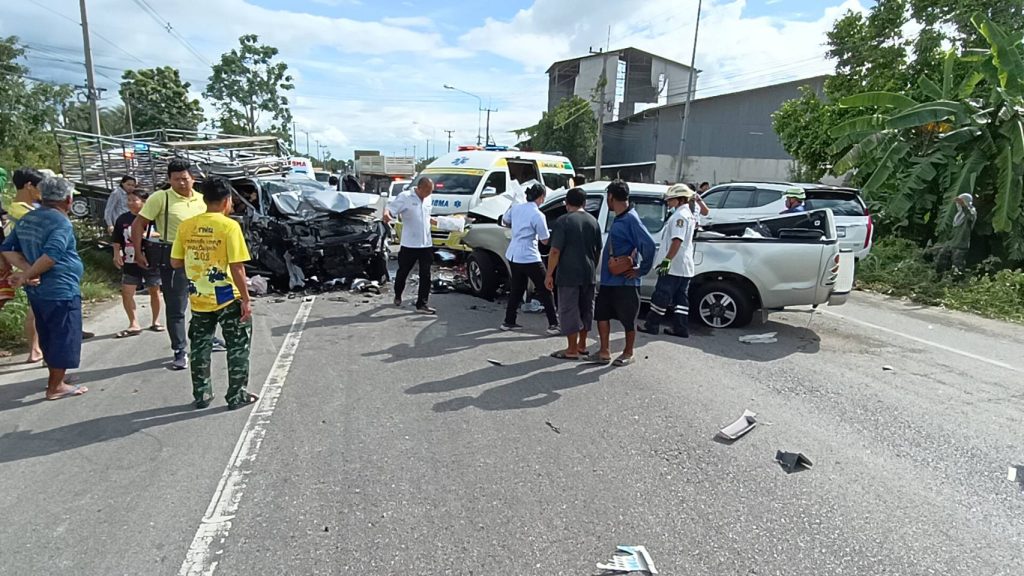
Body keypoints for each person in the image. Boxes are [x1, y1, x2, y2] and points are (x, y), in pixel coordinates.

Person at [171, 177, 258, 410]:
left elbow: (175, 262)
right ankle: (236, 396)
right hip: (226, 296)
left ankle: (202, 394)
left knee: (200, 347)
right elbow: (237, 267)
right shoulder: (229, 226)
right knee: (237, 347)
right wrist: (246, 300)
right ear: (227, 200)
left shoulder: (186, 226)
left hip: (198, 296)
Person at [1, 177, 87, 400]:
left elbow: (7, 248)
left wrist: (27, 271)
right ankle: (55, 386)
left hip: (38, 291)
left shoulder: (28, 218)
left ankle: (57, 377)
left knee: (48, 333)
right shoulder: (61, 222)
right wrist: (28, 275)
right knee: (64, 335)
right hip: (60, 288)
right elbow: (51, 256)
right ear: (67, 200)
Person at [132, 158, 212, 370]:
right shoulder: (161, 198)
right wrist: (138, 252)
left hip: (202, 257)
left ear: (192, 178)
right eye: (176, 179)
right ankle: (179, 350)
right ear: (169, 179)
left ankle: (205, 338)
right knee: (176, 306)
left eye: (185, 178)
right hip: (173, 257)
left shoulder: (202, 200)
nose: (181, 183)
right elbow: (138, 224)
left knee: (206, 302)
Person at [588, 180, 656, 366]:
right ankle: (604, 351)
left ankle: (628, 352)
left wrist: (640, 271)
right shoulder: (620, 218)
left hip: (626, 282)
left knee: (628, 319)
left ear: (610, 197)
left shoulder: (631, 219)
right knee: (602, 314)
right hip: (609, 280)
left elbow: (649, 245)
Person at [545, 187, 602, 359]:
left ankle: (571, 349)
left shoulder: (564, 221)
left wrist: (549, 274)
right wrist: (592, 267)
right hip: (588, 273)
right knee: (586, 309)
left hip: (568, 274)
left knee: (569, 310)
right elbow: (598, 250)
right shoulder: (593, 221)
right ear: (585, 203)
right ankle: (582, 345)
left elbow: (555, 251)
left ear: (566, 203)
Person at [500, 182, 559, 334]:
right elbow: (545, 240)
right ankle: (553, 324)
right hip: (529, 256)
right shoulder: (538, 215)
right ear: (541, 197)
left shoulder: (516, 208)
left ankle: (509, 321)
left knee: (517, 288)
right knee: (545, 288)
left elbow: (505, 220)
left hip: (513, 254)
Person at [641, 184, 697, 338]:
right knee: (680, 299)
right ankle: (680, 328)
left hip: (673, 266)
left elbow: (677, 240)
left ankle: (651, 325)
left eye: (671, 199)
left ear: (680, 199)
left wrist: (667, 260)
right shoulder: (688, 214)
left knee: (661, 295)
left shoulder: (680, 216)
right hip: (683, 267)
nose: (668, 202)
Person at [112, 188, 163, 337]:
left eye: (134, 200)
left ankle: (156, 321)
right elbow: (117, 239)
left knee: (154, 290)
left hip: (150, 260)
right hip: (130, 260)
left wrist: (148, 234)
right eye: (128, 200)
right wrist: (116, 254)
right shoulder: (123, 219)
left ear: (144, 202)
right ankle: (133, 323)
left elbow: (163, 233)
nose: (131, 203)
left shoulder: (153, 218)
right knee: (127, 292)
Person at [7, 168, 45, 362]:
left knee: (36, 306)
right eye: (39, 186)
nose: (41, 191)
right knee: (38, 307)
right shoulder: (21, 211)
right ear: (29, 186)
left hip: (28, 264)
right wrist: (29, 270)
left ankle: (36, 349)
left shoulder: (20, 208)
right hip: (30, 264)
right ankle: (38, 350)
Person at [384, 177, 437, 315]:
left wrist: (438, 222)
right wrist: (387, 215)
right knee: (403, 272)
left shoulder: (428, 199)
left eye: (431, 191)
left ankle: (422, 304)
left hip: (426, 243)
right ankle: (398, 294)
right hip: (409, 244)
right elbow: (390, 209)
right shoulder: (405, 197)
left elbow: (426, 216)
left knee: (426, 274)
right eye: (427, 191)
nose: (429, 194)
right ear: (419, 188)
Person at [937, 193, 976, 276]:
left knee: (957, 268)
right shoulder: (958, 216)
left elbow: (969, 214)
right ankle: (939, 280)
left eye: (960, 203)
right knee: (941, 262)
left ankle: (957, 282)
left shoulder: (971, 213)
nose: (958, 205)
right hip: (951, 244)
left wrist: (964, 205)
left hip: (960, 246)